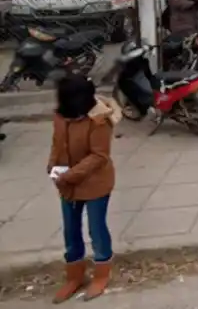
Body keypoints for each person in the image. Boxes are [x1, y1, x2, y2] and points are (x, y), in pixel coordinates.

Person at [48, 73, 121, 303]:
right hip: (68, 184)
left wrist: (70, 175)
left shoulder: (98, 120)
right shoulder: (61, 116)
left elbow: (99, 156)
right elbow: (57, 143)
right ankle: (75, 276)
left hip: (94, 182)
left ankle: (102, 273)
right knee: (70, 230)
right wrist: (52, 166)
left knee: (96, 229)